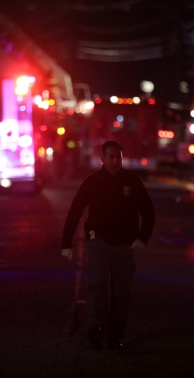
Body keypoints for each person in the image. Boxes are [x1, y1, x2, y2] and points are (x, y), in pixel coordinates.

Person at [61, 141, 155, 350]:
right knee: (97, 286)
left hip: (125, 245)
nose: (115, 161)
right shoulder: (92, 182)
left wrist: (142, 238)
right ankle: (96, 330)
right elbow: (75, 211)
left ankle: (114, 336)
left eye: (119, 157)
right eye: (111, 157)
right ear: (102, 159)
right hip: (98, 240)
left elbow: (148, 212)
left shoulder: (132, 182)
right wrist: (66, 242)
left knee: (122, 293)